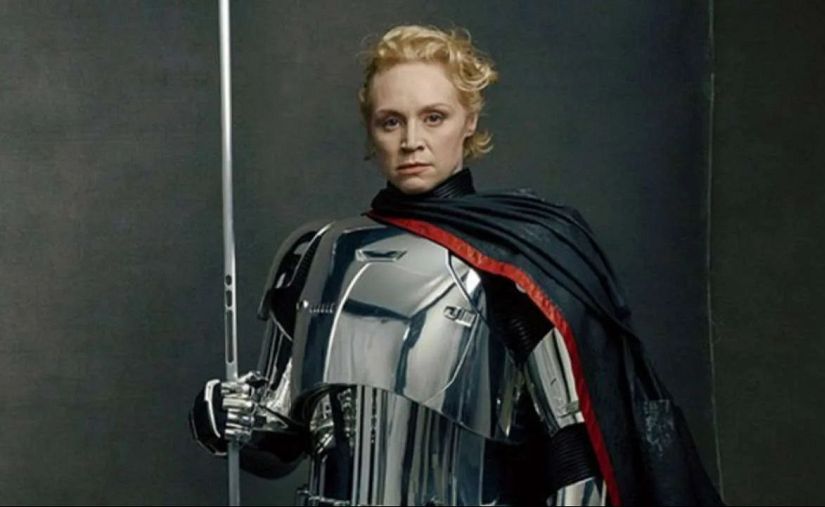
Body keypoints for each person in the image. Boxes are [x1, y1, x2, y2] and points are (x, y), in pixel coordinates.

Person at [190, 24, 723, 506]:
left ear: (469, 121)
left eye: (434, 117)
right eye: (391, 122)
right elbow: (282, 439)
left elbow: (578, 449)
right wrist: (229, 418)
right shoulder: (317, 253)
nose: (411, 142)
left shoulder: (514, 259)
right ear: (370, 130)